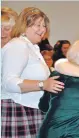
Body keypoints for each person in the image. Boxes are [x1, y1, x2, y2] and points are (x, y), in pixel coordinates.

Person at [1, 7, 64, 138]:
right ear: (24, 26)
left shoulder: (31, 47)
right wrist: (43, 85)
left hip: (29, 109)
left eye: (44, 25)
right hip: (18, 110)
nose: (42, 29)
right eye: (37, 25)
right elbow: (9, 83)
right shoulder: (18, 45)